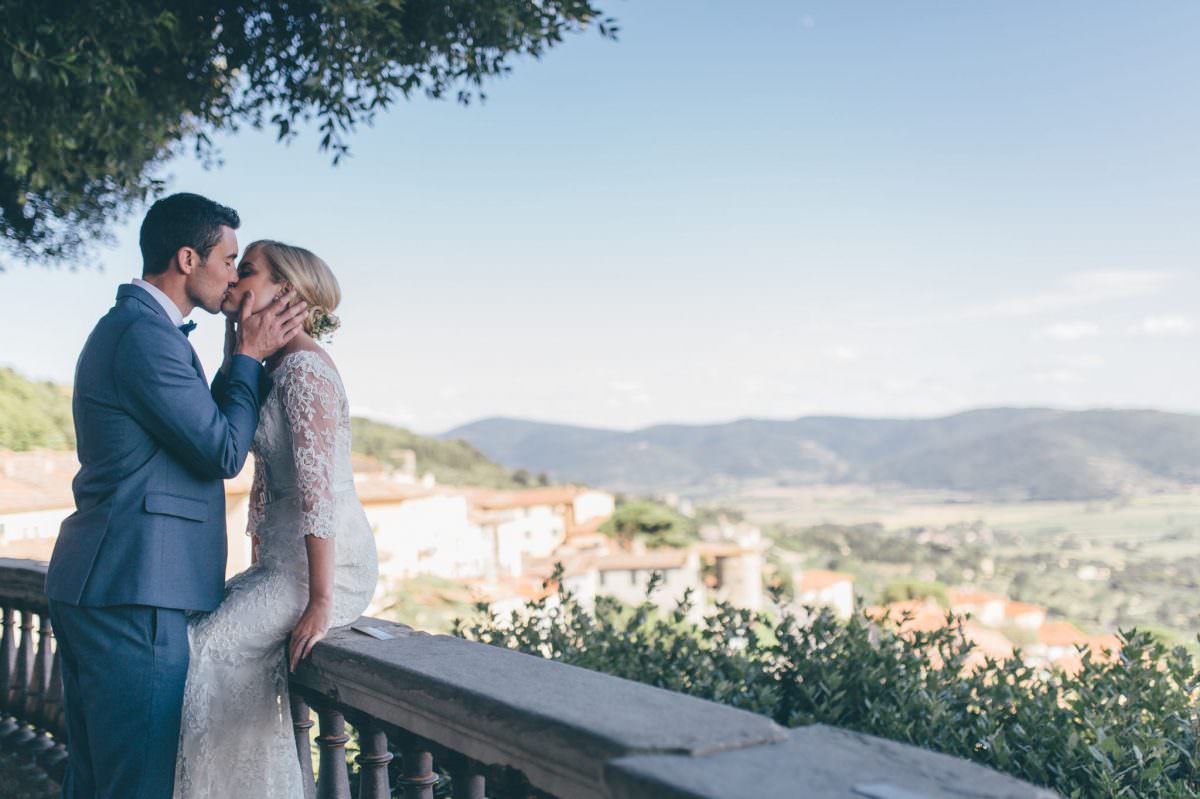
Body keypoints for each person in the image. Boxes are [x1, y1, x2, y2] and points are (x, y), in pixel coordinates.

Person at [45, 193, 308, 798]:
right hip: (136, 589)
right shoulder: (145, 335)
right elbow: (220, 450)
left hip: (116, 582)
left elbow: (190, 427)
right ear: (188, 258)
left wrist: (236, 363)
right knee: (133, 784)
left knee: (98, 781)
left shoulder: (141, 330)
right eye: (229, 259)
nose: (234, 275)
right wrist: (247, 355)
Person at [172, 240, 379, 798]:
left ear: (285, 290)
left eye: (250, 269)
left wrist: (319, 602)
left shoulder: (303, 369)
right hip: (285, 562)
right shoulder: (271, 366)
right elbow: (261, 477)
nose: (236, 276)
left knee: (205, 647)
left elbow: (318, 494)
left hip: (326, 569)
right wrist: (236, 345)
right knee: (199, 643)